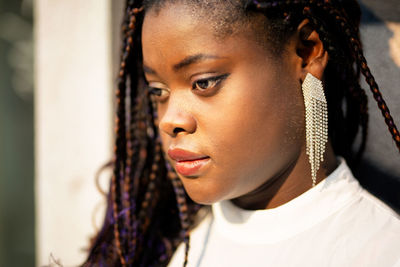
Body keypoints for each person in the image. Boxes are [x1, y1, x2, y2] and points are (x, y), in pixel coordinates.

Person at [83, 0, 400, 266]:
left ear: (306, 52)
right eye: (158, 90)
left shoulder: (379, 250)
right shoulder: (177, 249)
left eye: (204, 82)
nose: (169, 119)